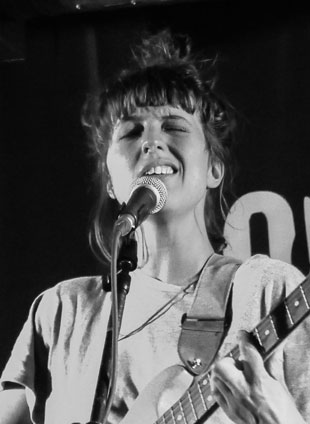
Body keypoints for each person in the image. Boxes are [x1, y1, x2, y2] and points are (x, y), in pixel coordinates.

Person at [0, 29, 309, 424]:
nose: (151, 142)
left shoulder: (268, 292)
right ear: (111, 183)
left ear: (214, 168)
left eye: (174, 126)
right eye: (130, 132)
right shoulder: (61, 311)